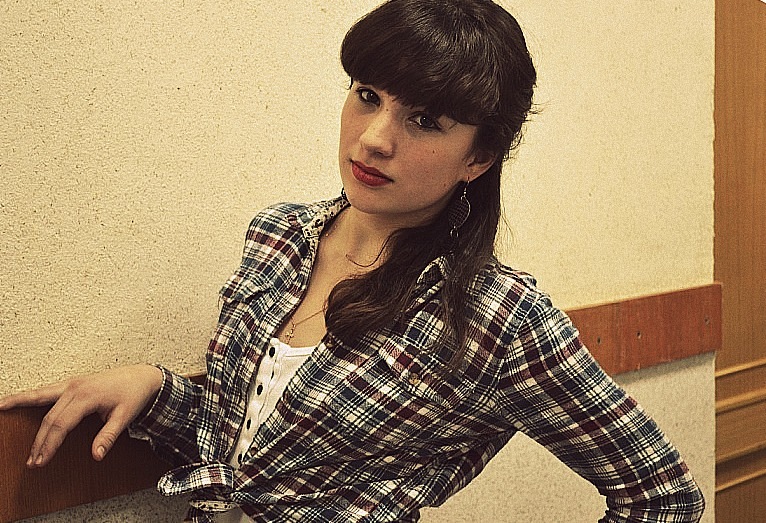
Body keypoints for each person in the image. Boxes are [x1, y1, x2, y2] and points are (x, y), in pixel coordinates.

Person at [0, 0, 705, 522]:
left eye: (424, 120)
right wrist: (156, 391)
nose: (372, 138)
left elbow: (663, 496)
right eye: (367, 97)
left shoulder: (497, 318)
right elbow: (255, 454)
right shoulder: (278, 236)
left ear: (479, 156)